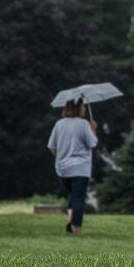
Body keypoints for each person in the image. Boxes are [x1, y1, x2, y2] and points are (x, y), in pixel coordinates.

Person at [47, 98, 98, 234]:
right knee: (79, 199)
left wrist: (62, 157)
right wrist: (93, 129)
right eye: (83, 106)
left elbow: (52, 147)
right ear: (77, 108)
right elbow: (92, 143)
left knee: (72, 194)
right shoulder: (83, 124)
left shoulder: (59, 124)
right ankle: (77, 229)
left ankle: (70, 220)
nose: (85, 108)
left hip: (62, 170)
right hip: (80, 169)